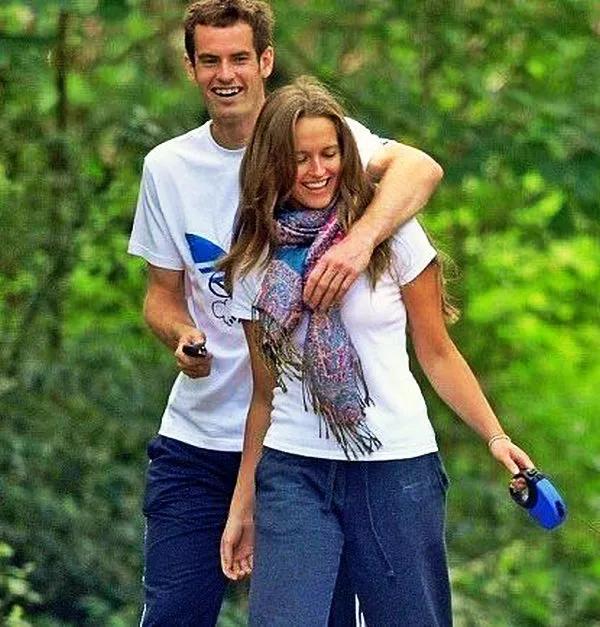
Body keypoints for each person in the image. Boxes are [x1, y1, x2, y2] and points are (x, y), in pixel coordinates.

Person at [128, 1, 444, 624]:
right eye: (210, 60)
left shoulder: (319, 137)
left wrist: (357, 244)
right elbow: (160, 294)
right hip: (202, 434)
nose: (226, 74)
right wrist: (182, 333)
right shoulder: (167, 168)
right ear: (191, 68)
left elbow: (420, 169)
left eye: (239, 58)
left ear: (265, 61)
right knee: (173, 611)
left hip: (304, 442)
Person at [219, 76, 535, 626]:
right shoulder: (254, 256)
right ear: (273, 163)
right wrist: (242, 504)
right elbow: (265, 394)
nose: (317, 170)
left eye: (329, 154)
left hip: (395, 466)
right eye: (300, 158)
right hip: (294, 469)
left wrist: (496, 435)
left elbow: (437, 352)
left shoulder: (392, 236)